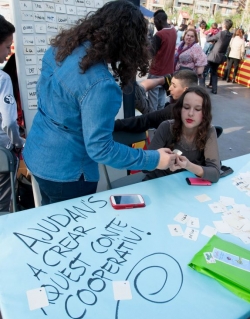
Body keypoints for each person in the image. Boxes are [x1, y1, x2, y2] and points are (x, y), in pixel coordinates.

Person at [23, 1, 176, 206]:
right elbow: (100, 148)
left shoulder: (60, 48)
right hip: (68, 173)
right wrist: (154, 159)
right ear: (129, 43)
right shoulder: (101, 85)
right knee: (72, 231)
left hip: (38, 153)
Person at [143, 86, 220, 182]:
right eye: (186, 107)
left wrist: (188, 165)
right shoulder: (166, 127)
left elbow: (215, 174)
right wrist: (159, 160)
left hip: (189, 188)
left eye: (197, 109)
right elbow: (145, 167)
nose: (190, 113)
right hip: (161, 183)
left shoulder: (209, 131)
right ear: (180, 109)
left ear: (205, 113)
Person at [114, 70, 198, 133]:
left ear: (185, 90)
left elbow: (145, 120)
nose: (169, 88)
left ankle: (162, 80)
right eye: (171, 84)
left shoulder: (173, 111)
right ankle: (162, 80)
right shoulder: (202, 106)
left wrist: (112, 125)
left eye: (174, 86)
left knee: (139, 89)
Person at [0, 15, 25, 212]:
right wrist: (17, 143)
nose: (9, 53)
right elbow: (9, 121)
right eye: (8, 46)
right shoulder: (3, 78)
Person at [147, 9, 177, 112]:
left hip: (156, 72)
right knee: (161, 100)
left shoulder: (159, 35)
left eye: (154, 22)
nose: (154, 25)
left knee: (152, 103)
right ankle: (159, 122)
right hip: (168, 73)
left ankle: (151, 126)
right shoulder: (173, 31)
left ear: (159, 20)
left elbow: (150, 54)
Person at [205, 19, 233, 94]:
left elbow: (208, 39)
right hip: (220, 56)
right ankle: (214, 89)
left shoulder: (221, 33)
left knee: (204, 71)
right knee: (214, 72)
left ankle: (201, 87)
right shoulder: (230, 35)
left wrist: (209, 33)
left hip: (213, 55)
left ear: (224, 25)